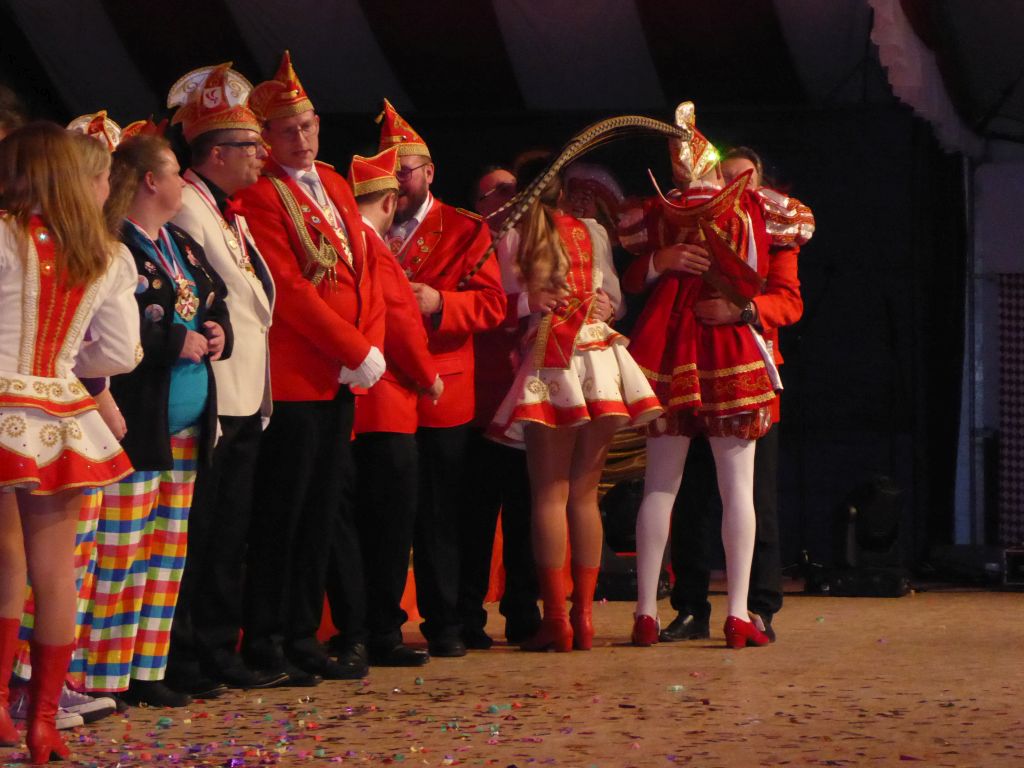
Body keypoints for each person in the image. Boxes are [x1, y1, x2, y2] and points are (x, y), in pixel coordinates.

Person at [235, 52, 384, 684]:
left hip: (339, 375)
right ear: (266, 138)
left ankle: (301, 634)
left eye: (307, 125)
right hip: (297, 376)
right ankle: (266, 639)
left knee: (321, 514)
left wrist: (366, 349)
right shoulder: (259, 193)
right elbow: (288, 291)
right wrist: (355, 350)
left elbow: (366, 273)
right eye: (287, 130)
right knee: (283, 514)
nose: (301, 138)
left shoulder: (335, 182)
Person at [0, 121, 140, 764]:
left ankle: (2, 710)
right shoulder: (106, 255)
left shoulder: (4, 235)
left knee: (5, 564)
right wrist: (65, 361)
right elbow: (119, 353)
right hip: (59, 413)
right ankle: (43, 724)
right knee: (57, 575)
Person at [81, 129, 232, 707]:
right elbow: (103, 331)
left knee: (167, 556)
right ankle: (105, 677)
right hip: (140, 426)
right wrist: (174, 341)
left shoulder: (179, 241)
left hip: (188, 428)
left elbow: (215, 298)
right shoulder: (113, 243)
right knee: (121, 555)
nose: (182, 184)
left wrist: (218, 332)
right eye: (174, 173)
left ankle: (148, 668)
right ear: (151, 181)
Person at [624, 103, 783, 649]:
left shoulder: (660, 211)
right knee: (737, 489)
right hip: (725, 346)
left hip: (670, 346)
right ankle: (737, 614)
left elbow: (632, 268)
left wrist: (663, 259)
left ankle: (645, 612)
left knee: (660, 485)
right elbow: (758, 271)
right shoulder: (747, 208)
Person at [488, 162, 661, 653]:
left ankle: (559, 621)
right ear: (563, 191)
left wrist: (535, 303)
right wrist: (605, 306)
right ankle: (583, 619)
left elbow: (503, 303)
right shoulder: (590, 231)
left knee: (549, 494)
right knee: (584, 495)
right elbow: (612, 299)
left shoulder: (514, 233)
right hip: (600, 358)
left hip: (555, 357)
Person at [658, 146, 813, 643]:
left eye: (745, 179)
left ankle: (758, 606)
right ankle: (690, 607)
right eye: (726, 177)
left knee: (754, 496)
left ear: (761, 183)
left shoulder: (774, 231)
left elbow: (788, 302)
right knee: (691, 497)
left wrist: (742, 310)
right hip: (693, 374)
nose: (735, 187)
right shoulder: (694, 227)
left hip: (749, 378)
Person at [164, 64, 286, 694]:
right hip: (208, 389)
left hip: (243, 389)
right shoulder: (186, 205)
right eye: (251, 146)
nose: (262, 155)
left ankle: (216, 645)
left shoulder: (228, 211)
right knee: (203, 529)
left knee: (228, 529)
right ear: (216, 153)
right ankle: (187, 652)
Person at [379, 99, 506, 658]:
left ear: (429, 172)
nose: (395, 183)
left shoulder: (463, 228)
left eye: (404, 171)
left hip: (442, 386)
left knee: (441, 514)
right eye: (386, 173)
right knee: (385, 512)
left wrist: (441, 303)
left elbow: (493, 304)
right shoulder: (364, 223)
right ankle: (380, 625)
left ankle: (447, 621)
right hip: (380, 387)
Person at [338, 147, 439, 668]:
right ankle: (378, 631)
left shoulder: (340, 243)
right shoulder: (373, 248)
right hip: (387, 407)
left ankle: (354, 631)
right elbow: (400, 321)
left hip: (349, 410)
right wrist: (428, 377)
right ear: (389, 201)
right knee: (388, 530)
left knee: (349, 527)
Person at [455, 164, 541, 649]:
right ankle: (468, 614)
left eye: (516, 189)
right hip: (484, 398)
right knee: (476, 516)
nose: (512, 197)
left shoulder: (539, 239)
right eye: (500, 191)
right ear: (481, 203)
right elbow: (476, 310)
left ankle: (523, 612)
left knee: (525, 514)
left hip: (529, 397)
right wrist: (528, 303)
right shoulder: (471, 242)